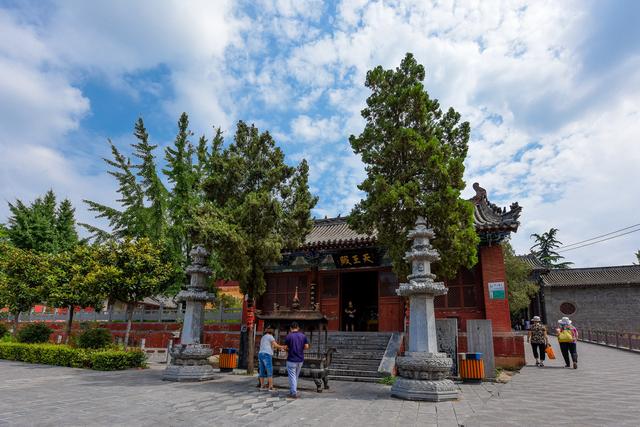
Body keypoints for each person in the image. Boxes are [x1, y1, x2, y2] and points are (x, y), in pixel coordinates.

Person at [284, 321, 309, 398]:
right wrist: (300, 349)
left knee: (292, 376)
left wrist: (288, 349)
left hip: (291, 359)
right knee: (295, 376)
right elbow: (307, 346)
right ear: (298, 328)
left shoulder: (288, 336)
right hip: (300, 359)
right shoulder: (303, 336)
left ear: (291, 328)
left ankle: (293, 392)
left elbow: (286, 347)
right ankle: (293, 391)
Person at [258, 326, 285, 391]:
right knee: (269, 369)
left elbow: (272, 346)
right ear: (272, 333)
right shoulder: (270, 336)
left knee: (262, 370)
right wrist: (282, 347)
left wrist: (278, 348)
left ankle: (262, 386)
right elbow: (275, 345)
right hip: (267, 354)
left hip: (260, 354)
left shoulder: (263, 337)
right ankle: (270, 387)